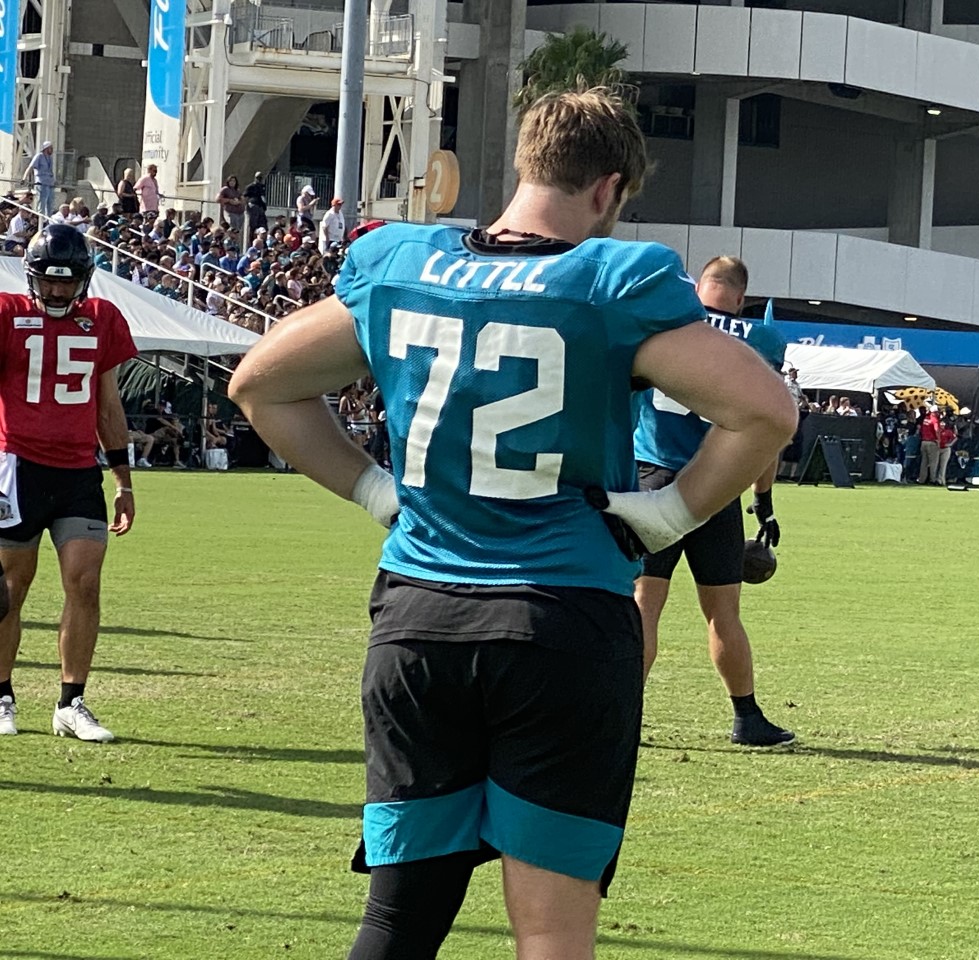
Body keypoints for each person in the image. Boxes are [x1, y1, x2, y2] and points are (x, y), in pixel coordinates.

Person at [229, 87, 796, 960]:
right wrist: (666, 514)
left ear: (525, 162)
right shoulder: (609, 281)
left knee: (397, 922)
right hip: (559, 621)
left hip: (418, 620)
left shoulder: (404, 261)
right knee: (550, 935)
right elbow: (764, 411)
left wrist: (377, 493)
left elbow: (260, 386)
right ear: (608, 189)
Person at [633, 255, 795, 748]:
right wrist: (763, 501)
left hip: (652, 476)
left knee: (644, 605)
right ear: (742, 298)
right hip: (717, 485)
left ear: (697, 287)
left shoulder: (662, 323)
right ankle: (746, 718)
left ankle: (624, 715)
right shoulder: (757, 340)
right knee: (723, 611)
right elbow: (765, 430)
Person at [0, 225, 138, 742]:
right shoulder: (8, 314)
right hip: (16, 466)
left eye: (68, 281)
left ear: (84, 279)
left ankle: (70, 701)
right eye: (49, 281)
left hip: (80, 471)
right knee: (11, 588)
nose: (58, 291)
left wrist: (123, 480)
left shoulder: (101, 319)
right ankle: (2, 694)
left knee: (85, 582)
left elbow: (108, 404)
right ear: (32, 277)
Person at [23, 141, 56, 219]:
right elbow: (30, 167)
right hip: (41, 184)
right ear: (46, 148)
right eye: (51, 148)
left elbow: (50, 171)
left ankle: (48, 222)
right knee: (41, 204)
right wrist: (24, 178)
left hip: (50, 184)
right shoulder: (39, 156)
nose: (52, 150)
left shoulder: (50, 158)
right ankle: (39, 223)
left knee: (50, 205)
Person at [918, 404, 941, 484]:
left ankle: (922, 479)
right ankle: (933, 479)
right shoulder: (934, 419)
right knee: (933, 462)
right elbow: (937, 430)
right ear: (935, 412)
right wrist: (938, 440)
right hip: (932, 442)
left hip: (924, 442)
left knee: (924, 462)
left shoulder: (925, 419)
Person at [244, 171, 269, 236]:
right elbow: (245, 197)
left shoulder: (262, 187)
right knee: (253, 225)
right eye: (258, 178)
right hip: (253, 205)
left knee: (263, 224)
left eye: (260, 178)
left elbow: (263, 197)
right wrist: (247, 207)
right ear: (255, 178)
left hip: (261, 207)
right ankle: (251, 239)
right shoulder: (250, 187)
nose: (259, 179)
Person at [936, 415, 957, 486]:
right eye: (941, 423)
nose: (942, 424)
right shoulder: (937, 431)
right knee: (935, 465)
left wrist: (950, 444)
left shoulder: (948, 431)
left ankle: (941, 480)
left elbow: (955, 438)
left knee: (943, 465)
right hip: (937, 449)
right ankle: (935, 479)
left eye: (943, 423)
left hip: (945, 449)